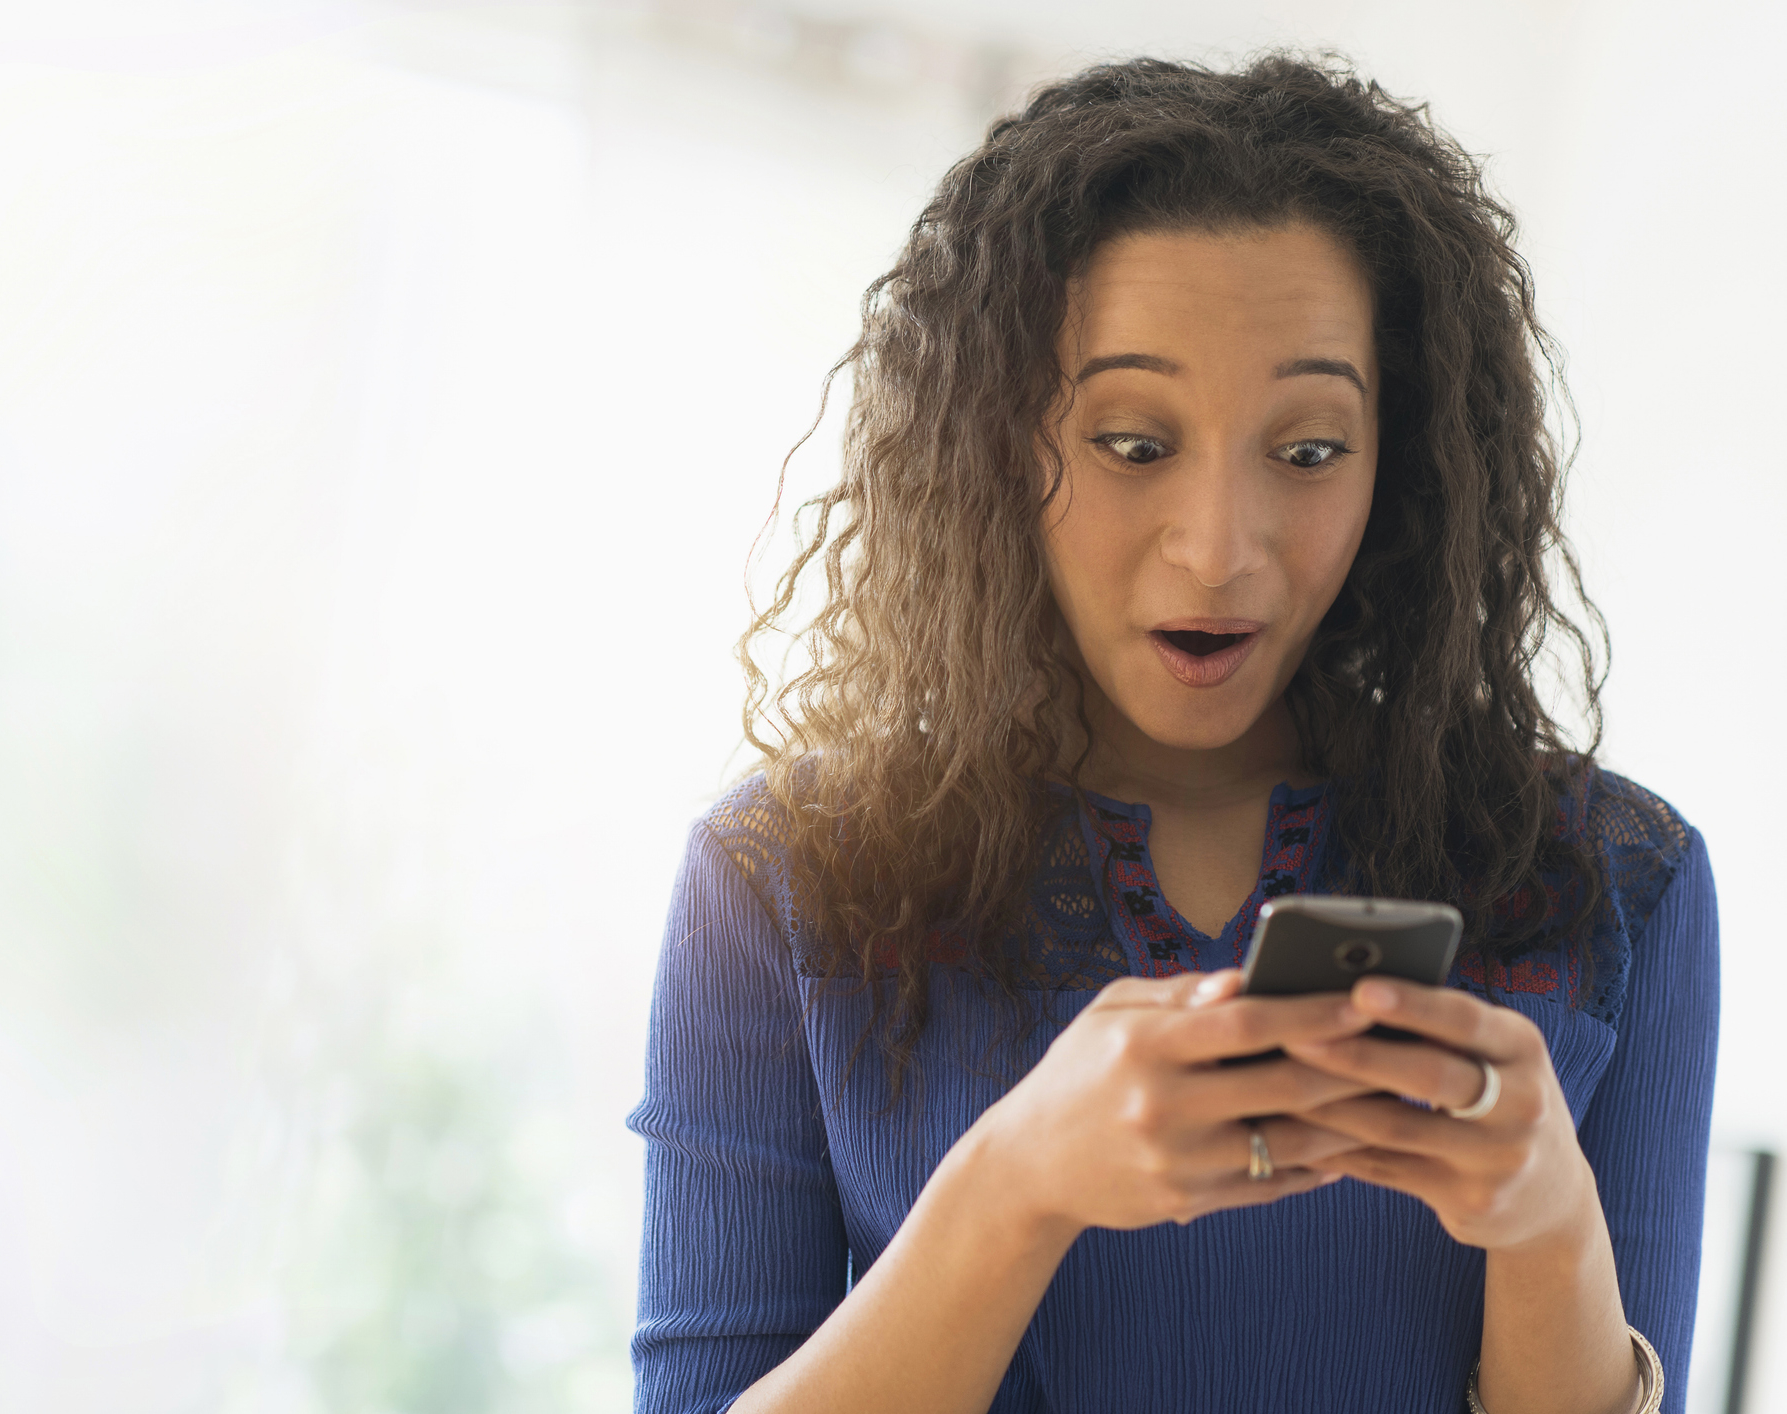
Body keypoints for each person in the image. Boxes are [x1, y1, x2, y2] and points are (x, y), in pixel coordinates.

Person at [628, 54, 1717, 1414]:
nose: (1219, 552)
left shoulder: (1615, 885)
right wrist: (1015, 1181)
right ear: (991, 443)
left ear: (1410, 460)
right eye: (1135, 442)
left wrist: (1551, 1224)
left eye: (1309, 450)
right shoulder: (781, 876)